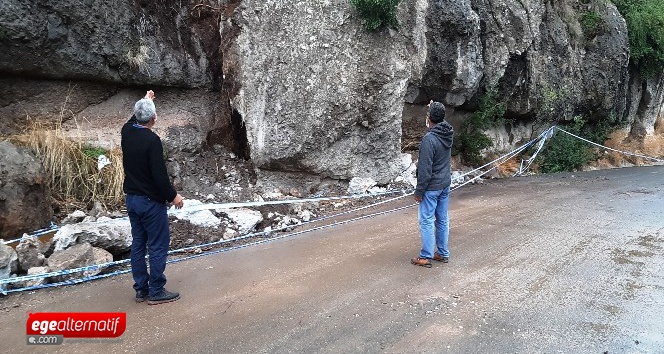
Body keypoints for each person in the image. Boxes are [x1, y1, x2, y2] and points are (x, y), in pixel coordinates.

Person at [122, 90, 184, 304]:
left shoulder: (126, 132)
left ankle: (141, 289)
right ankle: (156, 291)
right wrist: (174, 196)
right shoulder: (152, 140)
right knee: (158, 245)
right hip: (150, 203)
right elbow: (159, 177)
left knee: (139, 244)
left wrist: (146, 101)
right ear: (154, 119)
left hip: (132, 200)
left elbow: (134, 118)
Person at [411, 101, 454, 268]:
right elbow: (439, 118)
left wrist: (419, 191)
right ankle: (442, 253)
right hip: (445, 184)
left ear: (429, 119)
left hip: (431, 187)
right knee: (442, 219)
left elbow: (425, 169)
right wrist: (433, 108)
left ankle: (425, 256)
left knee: (426, 220)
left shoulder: (429, 139)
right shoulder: (448, 131)